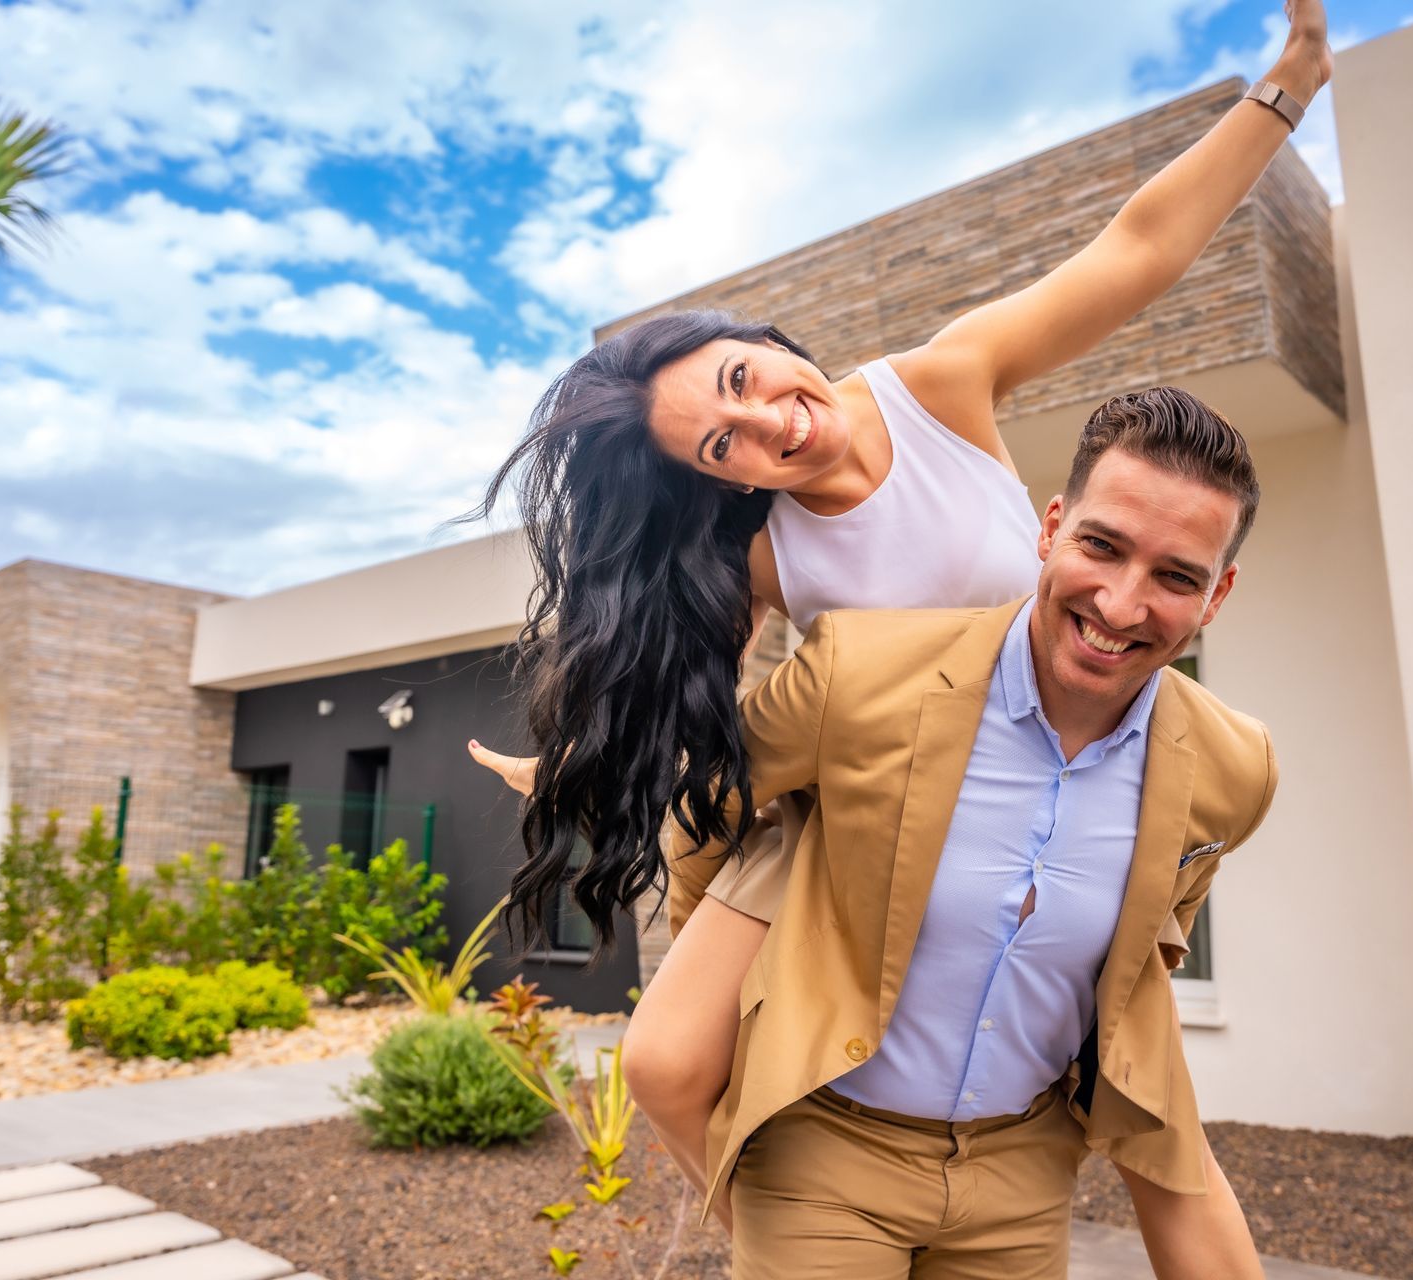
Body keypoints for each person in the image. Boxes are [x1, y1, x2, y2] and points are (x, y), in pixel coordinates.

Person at [467, 0, 1328, 1256]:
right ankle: (794, 1214)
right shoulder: (764, 552)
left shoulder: (939, 383)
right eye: (726, 445)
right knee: (662, 1054)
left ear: (753, 339)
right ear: (713, 477)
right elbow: (705, 724)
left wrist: (1287, 89)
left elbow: (1136, 249)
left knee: (1159, 1117)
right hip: (869, 795)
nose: (771, 427)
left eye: (744, 383)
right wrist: (590, 763)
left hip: (1054, 760)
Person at [667, 389, 1277, 1277]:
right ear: (1052, 528)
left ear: (1216, 594)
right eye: (1101, 546)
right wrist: (716, 964)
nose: (1120, 602)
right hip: (823, 1152)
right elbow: (706, 804)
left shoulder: (1236, 768)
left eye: (1176, 576)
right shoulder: (859, 672)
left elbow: (1156, 931)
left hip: (1023, 1180)